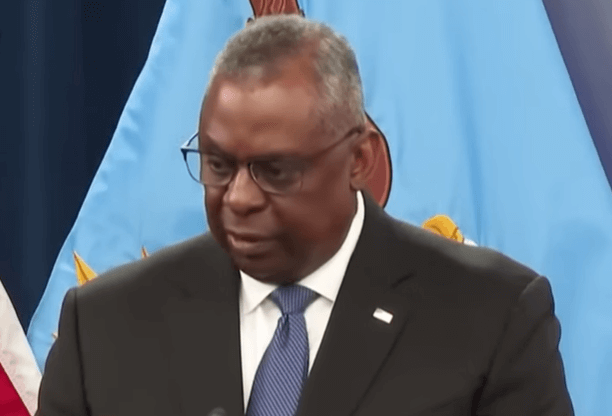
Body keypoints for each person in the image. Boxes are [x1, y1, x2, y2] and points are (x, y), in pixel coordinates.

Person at [36, 15, 574, 416]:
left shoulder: (491, 317)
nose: (238, 198)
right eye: (218, 165)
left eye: (275, 171)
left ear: (359, 159)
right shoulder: (104, 325)